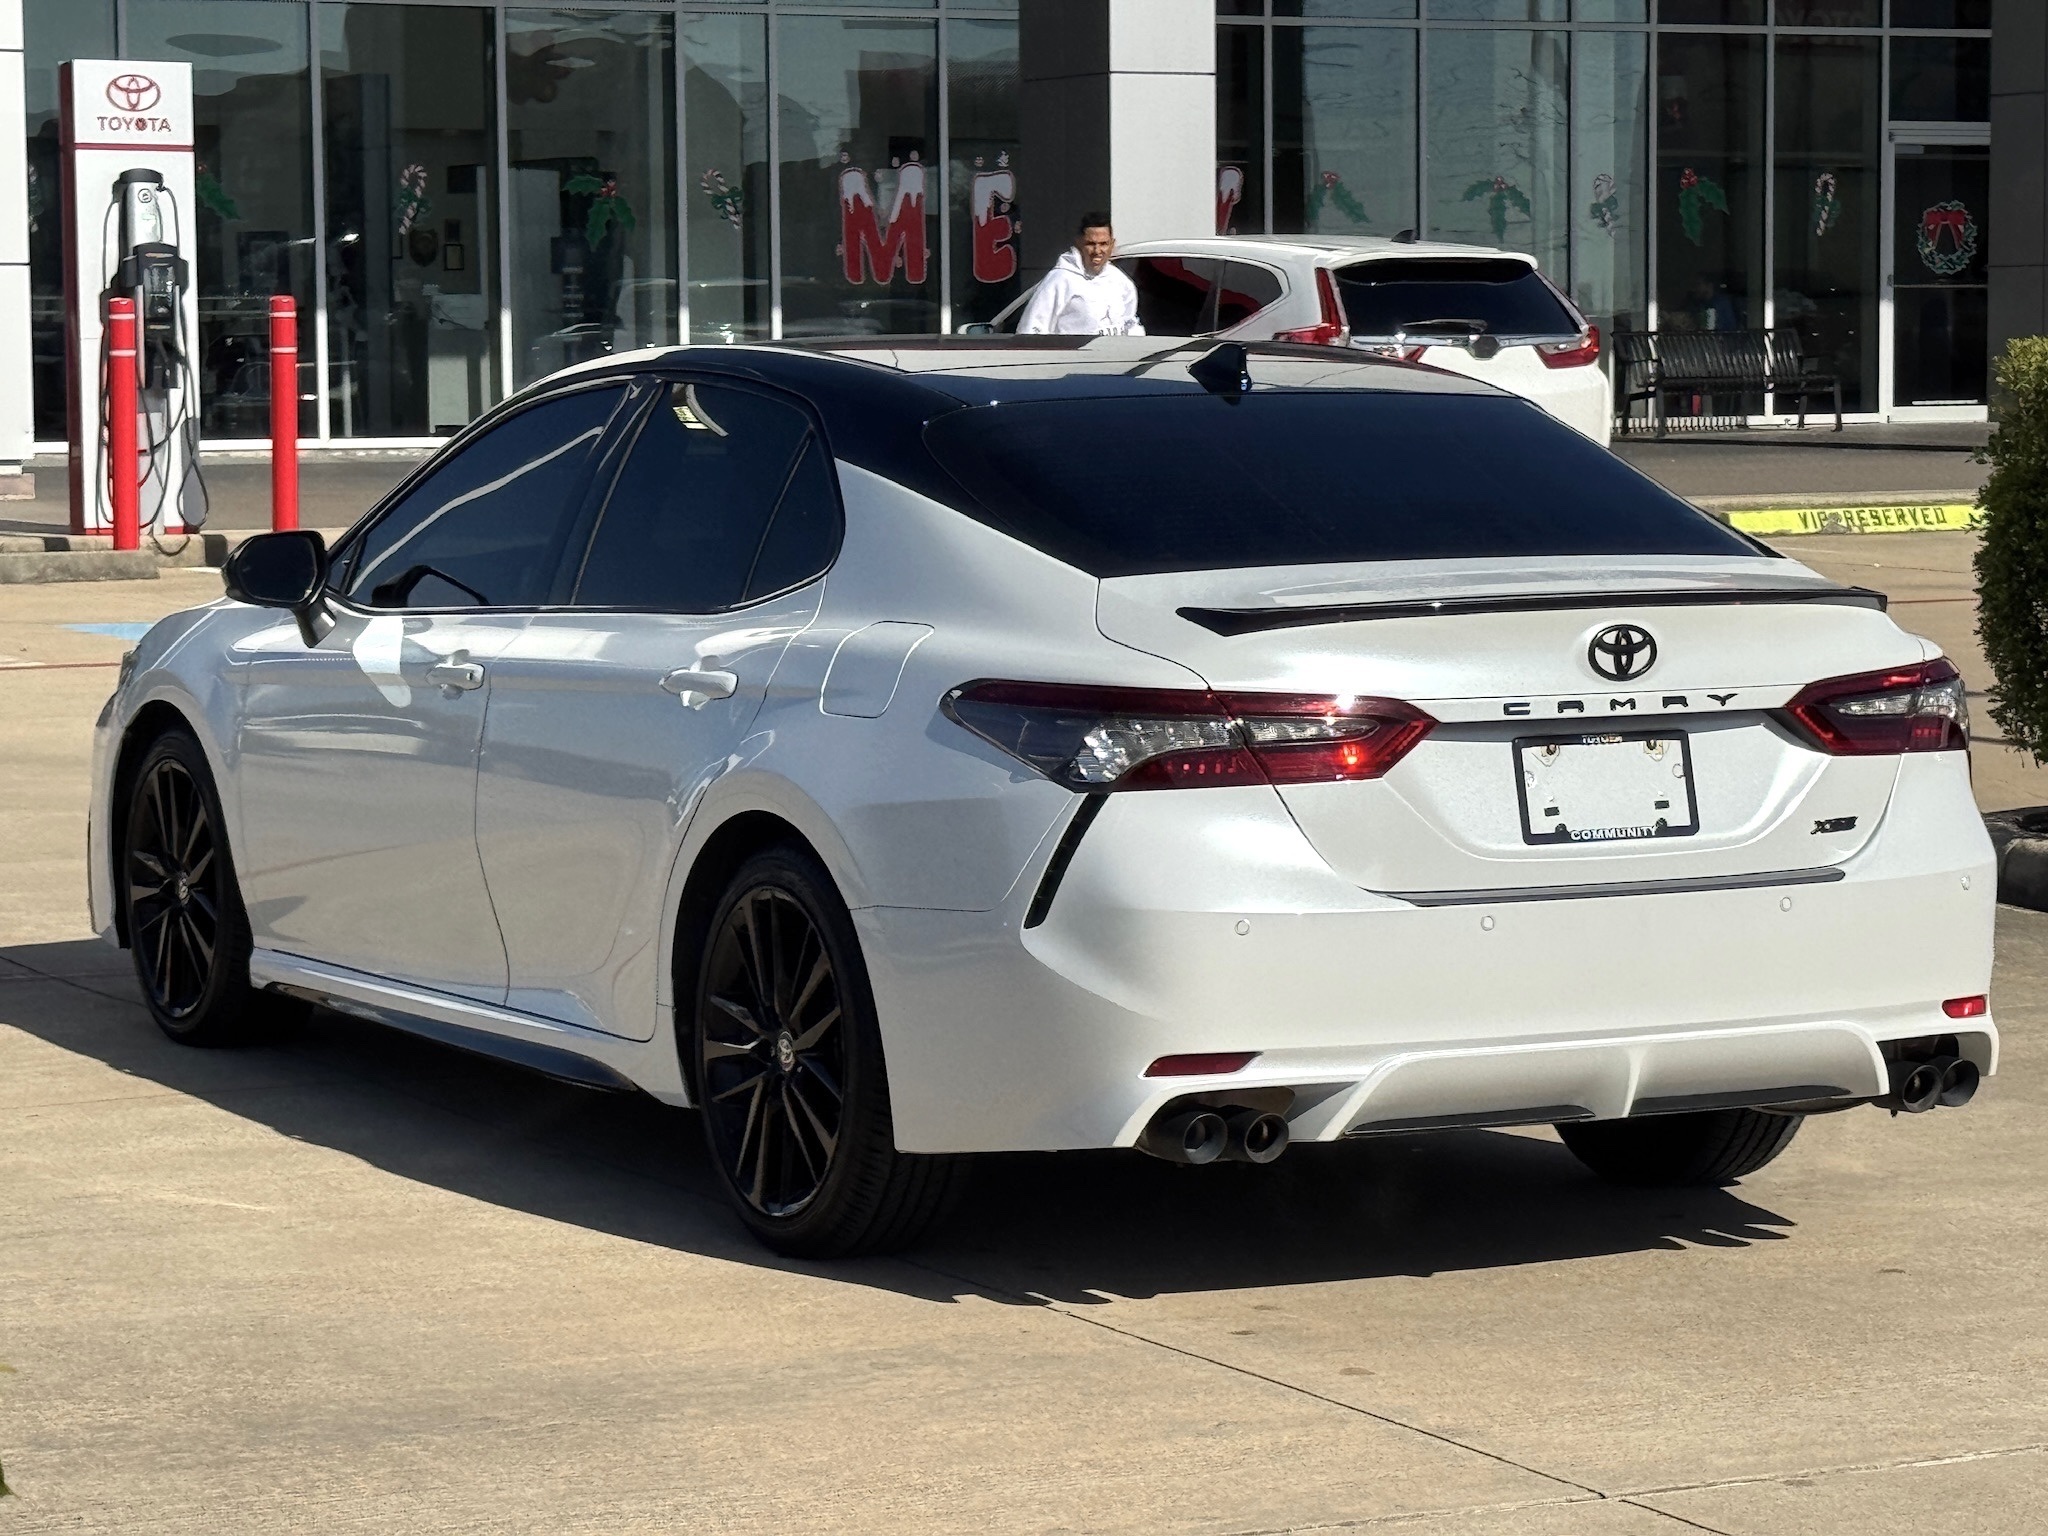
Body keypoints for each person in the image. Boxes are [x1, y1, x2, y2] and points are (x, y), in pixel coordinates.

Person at [1017, 213, 1144, 336]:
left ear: (1112, 244)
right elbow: (1031, 330)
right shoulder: (1060, 280)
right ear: (1079, 243)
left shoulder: (1121, 282)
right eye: (1091, 244)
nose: (1097, 251)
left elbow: (1130, 325)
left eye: (1103, 244)